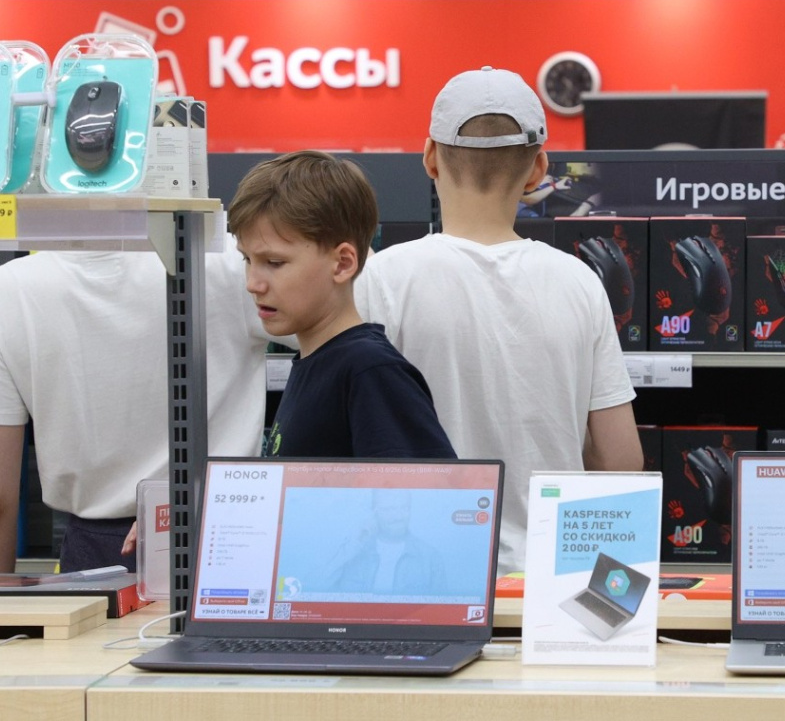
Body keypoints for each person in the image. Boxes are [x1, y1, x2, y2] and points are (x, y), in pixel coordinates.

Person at [357, 67, 643, 574]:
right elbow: (620, 461)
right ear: (538, 170)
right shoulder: (580, 282)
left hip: (432, 576)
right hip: (554, 581)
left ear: (430, 158)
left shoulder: (381, 279)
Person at [0, 242, 290, 574]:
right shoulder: (225, 257)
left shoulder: (10, 289)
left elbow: (1, 499)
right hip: (225, 531)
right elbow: (336, 324)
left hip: (103, 552)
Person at [227, 149, 455, 460]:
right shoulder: (320, 363)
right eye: (247, 260)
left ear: (343, 263)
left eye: (275, 262)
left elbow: (429, 488)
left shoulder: (369, 372)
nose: (253, 283)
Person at [321, 489, 445, 596]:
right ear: (373, 513)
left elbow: (439, 608)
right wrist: (355, 543)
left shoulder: (430, 558)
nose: (398, 517)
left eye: (404, 508)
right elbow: (319, 587)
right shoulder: (352, 552)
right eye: (389, 509)